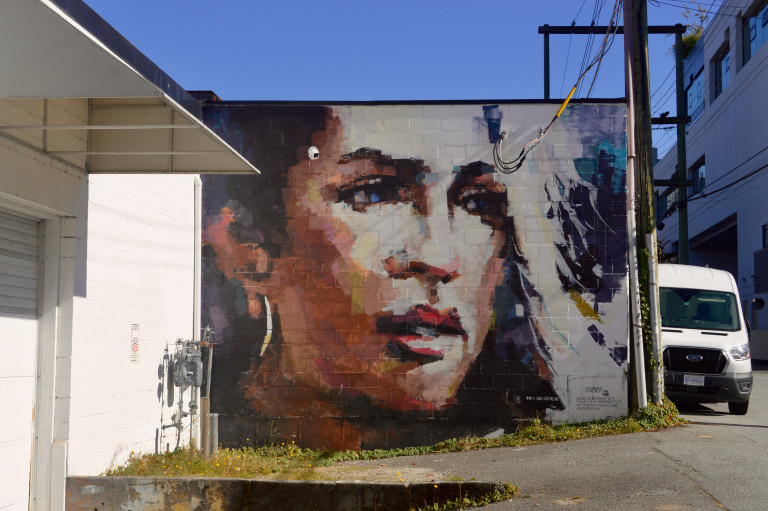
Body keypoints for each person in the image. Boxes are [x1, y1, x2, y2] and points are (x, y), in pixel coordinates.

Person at [202, 103, 628, 449]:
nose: (442, 259)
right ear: (247, 245)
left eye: (478, 202)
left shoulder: (522, 445)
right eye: (372, 193)